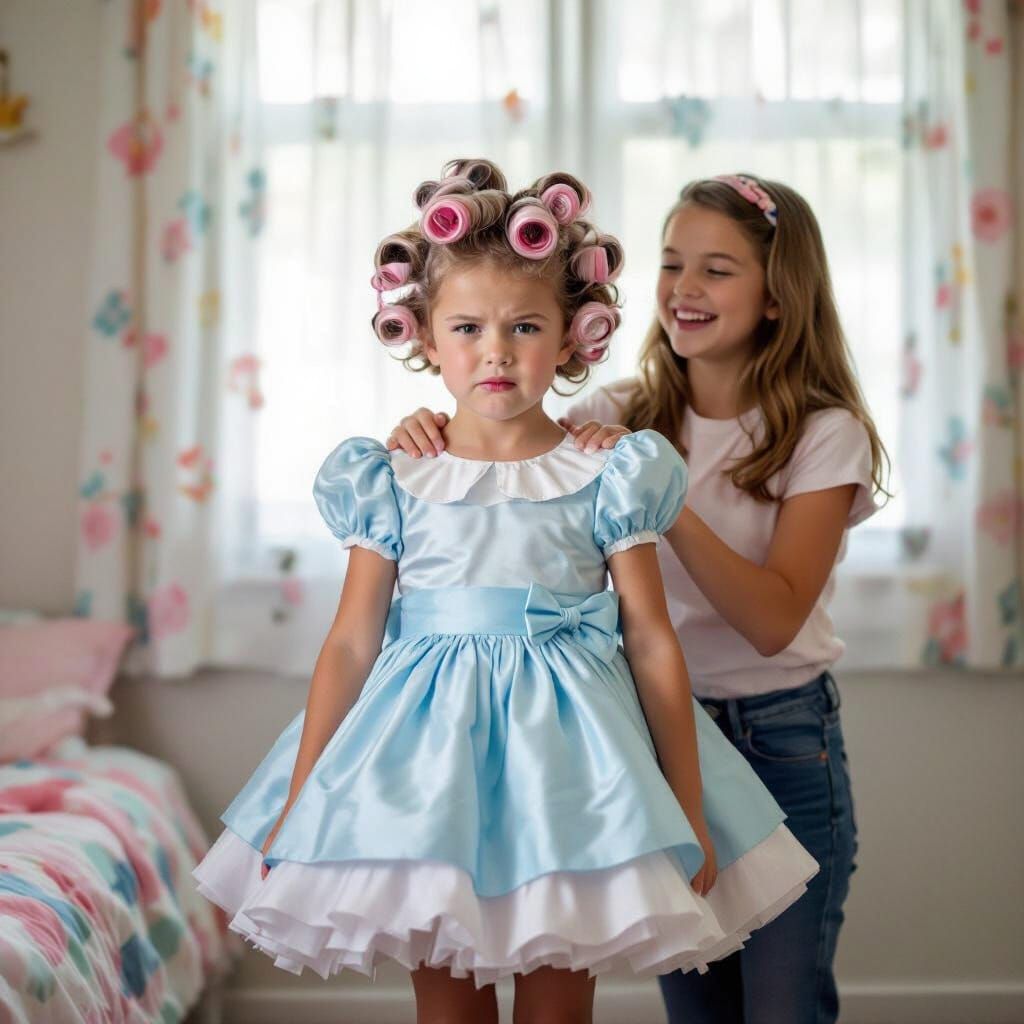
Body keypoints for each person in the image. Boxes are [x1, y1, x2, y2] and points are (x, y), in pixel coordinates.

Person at [193, 161, 818, 1024]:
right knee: (445, 1007)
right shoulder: (394, 475)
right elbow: (349, 643)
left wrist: (684, 808)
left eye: (525, 326)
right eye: (467, 327)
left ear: (571, 338)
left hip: (572, 782)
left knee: (557, 1008)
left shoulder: (611, 469)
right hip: (420, 780)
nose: (495, 351)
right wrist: (302, 799)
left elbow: (650, 639)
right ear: (424, 338)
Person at [387, 172, 888, 1024]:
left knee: (782, 1006)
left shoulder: (822, 433)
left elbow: (772, 621)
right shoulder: (618, 409)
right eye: (672, 263)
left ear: (778, 296)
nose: (685, 289)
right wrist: (419, 432)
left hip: (780, 738)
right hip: (655, 732)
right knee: (693, 1007)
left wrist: (658, 487)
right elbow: (508, 444)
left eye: (717, 269)